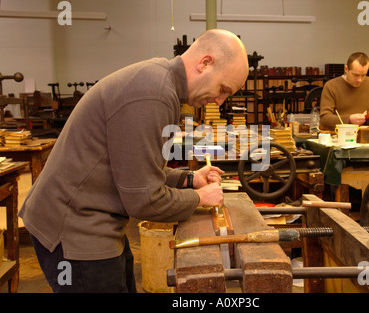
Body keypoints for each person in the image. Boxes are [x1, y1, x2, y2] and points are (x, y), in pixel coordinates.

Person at [18, 29, 249, 293]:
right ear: (205, 63)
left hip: (97, 218)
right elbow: (144, 199)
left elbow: (139, 170)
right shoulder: (154, 94)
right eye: (223, 89)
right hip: (73, 230)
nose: (220, 101)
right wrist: (200, 198)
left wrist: (190, 179)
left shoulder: (162, 85)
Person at [319, 52, 369, 130]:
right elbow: (324, 118)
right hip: (338, 135)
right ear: (346, 69)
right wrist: (349, 120)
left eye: (363, 75)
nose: (359, 80)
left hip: (364, 134)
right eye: (355, 75)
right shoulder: (331, 86)